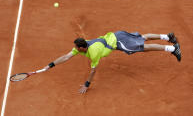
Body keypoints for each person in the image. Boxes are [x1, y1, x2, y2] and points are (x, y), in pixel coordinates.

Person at [43, 31, 181, 94]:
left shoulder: (93, 51)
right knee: (142, 38)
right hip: (118, 34)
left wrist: (87, 84)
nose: (74, 50)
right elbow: (66, 57)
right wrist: (51, 65)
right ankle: (167, 36)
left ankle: (172, 48)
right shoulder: (82, 48)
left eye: (76, 48)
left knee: (143, 48)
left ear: (82, 48)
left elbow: (93, 70)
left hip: (119, 42)